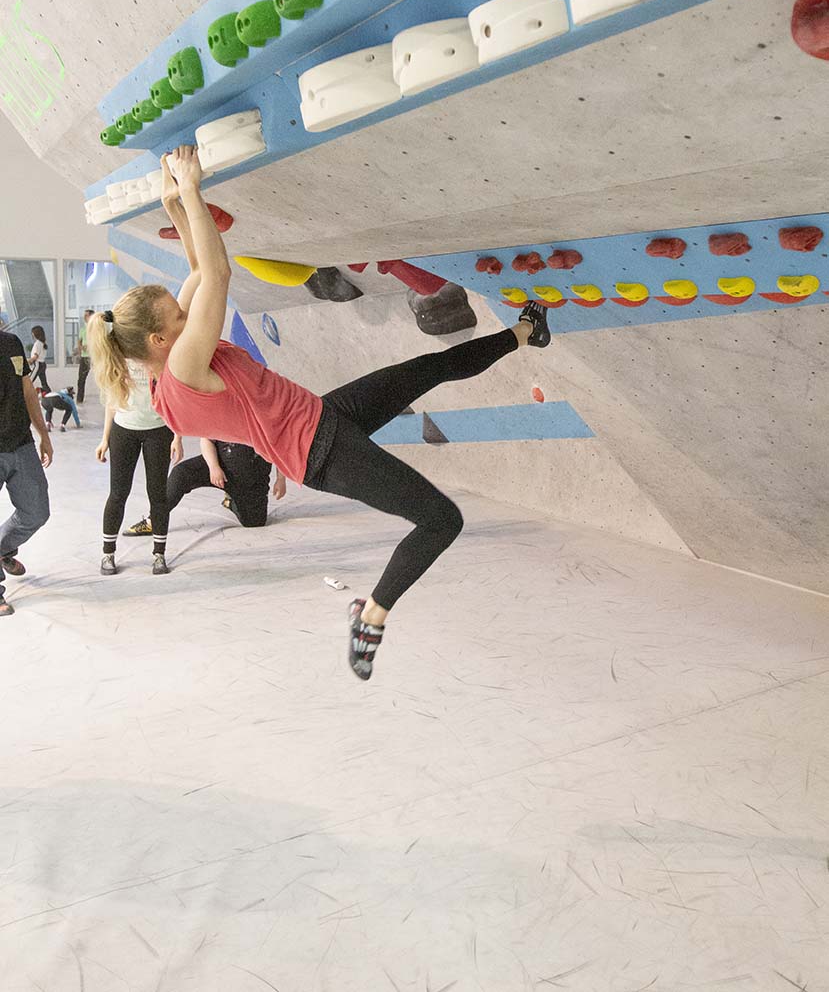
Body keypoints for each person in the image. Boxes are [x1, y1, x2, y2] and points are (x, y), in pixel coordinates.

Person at [88, 147, 551, 680]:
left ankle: (525, 332)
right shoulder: (184, 373)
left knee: (427, 367)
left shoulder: (169, 357)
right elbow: (216, 272)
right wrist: (191, 188)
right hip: (320, 452)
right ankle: (371, 616)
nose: (186, 312)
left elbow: (196, 268)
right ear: (160, 339)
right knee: (441, 519)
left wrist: (174, 204)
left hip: (321, 416)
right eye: (177, 315)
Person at [95, 357, 181, 576]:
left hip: (159, 430)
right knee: (118, 493)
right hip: (124, 430)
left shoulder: (161, 353)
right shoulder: (119, 355)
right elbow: (112, 402)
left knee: (158, 494)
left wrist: (177, 438)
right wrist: (105, 439)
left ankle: (159, 555)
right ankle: (108, 553)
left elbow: (176, 398)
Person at [124, 438, 286, 536]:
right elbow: (206, 439)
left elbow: (280, 445)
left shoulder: (264, 411)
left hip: (250, 478)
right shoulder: (223, 406)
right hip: (220, 465)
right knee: (182, 473)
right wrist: (214, 467)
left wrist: (281, 478)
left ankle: (231, 501)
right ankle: (155, 519)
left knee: (255, 522)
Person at [1, 326, 53, 616]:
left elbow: (26, 390)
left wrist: (43, 434)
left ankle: (3, 548)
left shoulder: (11, 343)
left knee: (36, 511)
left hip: (21, 443)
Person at [76, 308, 94, 403]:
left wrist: (90, 346)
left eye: (86, 315)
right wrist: (80, 348)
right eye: (84, 315)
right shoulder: (83, 329)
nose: (84, 317)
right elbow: (79, 341)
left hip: (95, 357)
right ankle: (79, 399)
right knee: (81, 379)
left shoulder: (95, 329)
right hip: (85, 357)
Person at [28, 326, 51, 394]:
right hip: (42, 364)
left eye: (33, 333)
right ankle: (50, 395)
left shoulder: (37, 343)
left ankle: (24, 396)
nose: (32, 334)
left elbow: (35, 356)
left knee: (28, 381)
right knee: (44, 383)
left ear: (36, 333)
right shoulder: (43, 343)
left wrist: (28, 361)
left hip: (37, 364)